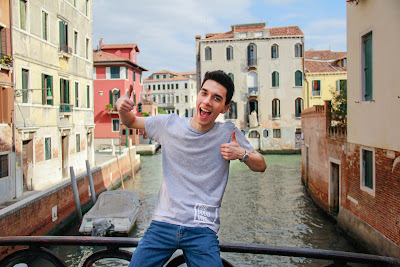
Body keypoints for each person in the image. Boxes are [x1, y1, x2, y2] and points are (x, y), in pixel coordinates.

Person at [116, 70, 267, 267]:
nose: (207, 101)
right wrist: (122, 108)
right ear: (198, 96)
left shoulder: (228, 133)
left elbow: (261, 165)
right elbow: (131, 121)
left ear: (224, 108)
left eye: (216, 98)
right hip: (163, 224)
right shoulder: (168, 124)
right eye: (204, 93)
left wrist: (242, 154)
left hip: (202, 228)